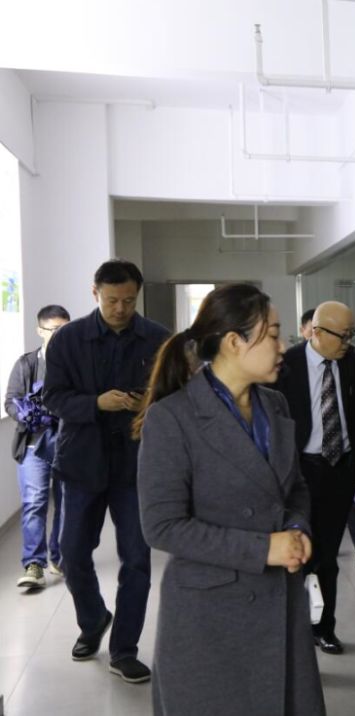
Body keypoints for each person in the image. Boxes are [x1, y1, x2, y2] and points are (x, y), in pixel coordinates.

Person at [134, 283, 324, 715]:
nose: (283, 346)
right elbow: (161, 527)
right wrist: (264, 548)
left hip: (279, 604)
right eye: (272, 334)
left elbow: (294, 486)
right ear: (234, 342)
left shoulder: (275, 405)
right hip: (209, 616)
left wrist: (297, 528)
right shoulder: (172, 418)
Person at [43, 259, 169, 684]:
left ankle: (124, 650)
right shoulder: (68, 338)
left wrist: (146, 403)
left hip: (136, 466)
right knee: (72, 554)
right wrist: (96, 403)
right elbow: (53, 398)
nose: (120, 309)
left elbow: (174, 397)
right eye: (112, 300)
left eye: (129, 301)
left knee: (137, 560)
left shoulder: (157, 338)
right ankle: (93, 618)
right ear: (94, 293)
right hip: (82, 462)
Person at [272, 300, 355, 655]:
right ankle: (295, 628)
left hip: (340, 468)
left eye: (351, 334)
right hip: (300, 471)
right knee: (297, 554)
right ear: (317, 332)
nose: (348, 342)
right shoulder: (287, 365)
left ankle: (325, 627)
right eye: (343, 335)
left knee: (327, 555)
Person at [6, 304, 70, 589]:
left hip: (68, 444)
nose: (60, 335)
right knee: (34, 504)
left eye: (65, 329)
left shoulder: (77, 363)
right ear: (40, 331)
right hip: (33, 445)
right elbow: (10, 401)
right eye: (54, 330)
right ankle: (34, 564)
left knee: (67, 503)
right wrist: (25, 415)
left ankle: (59, 556)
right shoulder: (26, 364)